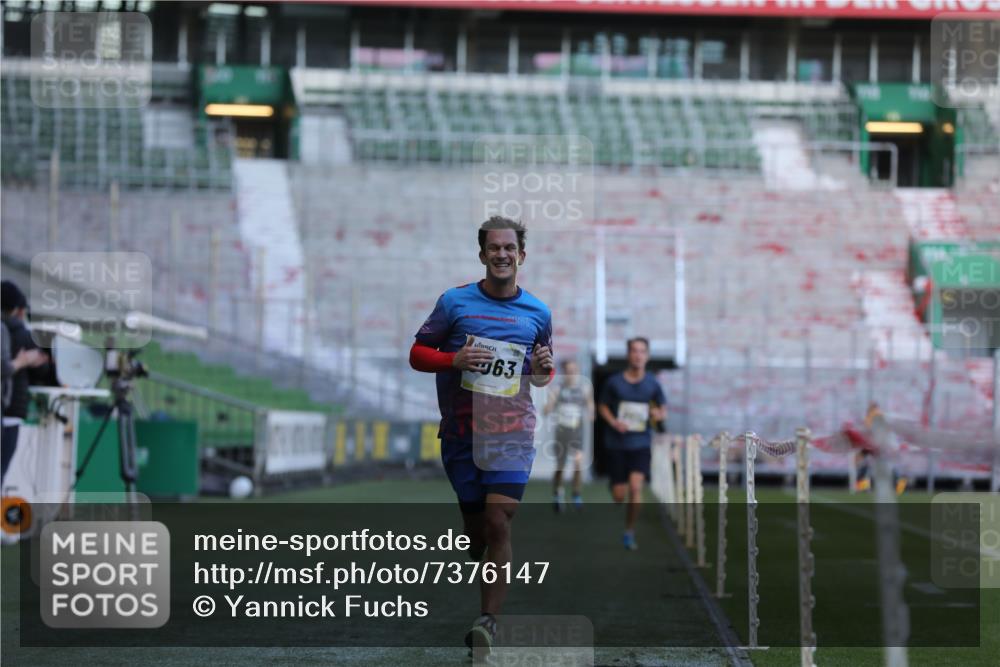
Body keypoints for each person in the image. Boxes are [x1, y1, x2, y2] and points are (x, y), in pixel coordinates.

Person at [409, 216, 554, 655]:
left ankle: (487, 621)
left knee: (498, 522)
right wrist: (453, 360)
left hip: (512, 434)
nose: (502, 254)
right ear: (483, 254)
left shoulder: (538, 313)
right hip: (461, 435)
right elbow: (417, 354)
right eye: (494, 248)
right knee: (477, 535)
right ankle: (476, 537)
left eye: (510, 248)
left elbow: (540, 373)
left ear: (521, 255)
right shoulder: (454, 303)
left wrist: (543, 370)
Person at [597, 337, 666, 550]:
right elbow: (602, 406)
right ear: (628, 354)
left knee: (636, 488)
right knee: (619, 496)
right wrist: (614, 422)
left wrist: (658, 414)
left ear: (647, 355)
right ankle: (615, 486)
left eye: (642, 351)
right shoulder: (614, 382)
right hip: (616, 443)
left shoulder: (653, 383)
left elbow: (662, 409)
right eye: (634, 351)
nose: (638, 355)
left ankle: (629, 531)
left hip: (641, 443)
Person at [1, 280, 48, 485]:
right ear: (18, 310)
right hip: (11, 412)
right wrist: (24, 361)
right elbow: (43, 372)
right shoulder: (24, 335)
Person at [544, 358, 593, 512]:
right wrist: (549, 405)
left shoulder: (584, 388)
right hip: (562, 433)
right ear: (564, 372)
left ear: (578, 372)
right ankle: (557, 494)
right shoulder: (557, 389)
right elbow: (546, 410)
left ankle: (576, 494)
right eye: (568, 371)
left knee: (578, 464)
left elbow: (590, 405)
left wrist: (591, 412)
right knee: (561, 466)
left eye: (574, 371)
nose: (571, 374)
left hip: (577, 432)